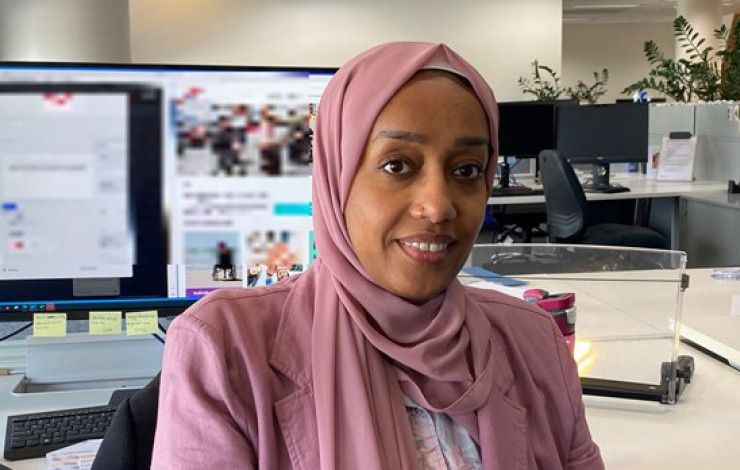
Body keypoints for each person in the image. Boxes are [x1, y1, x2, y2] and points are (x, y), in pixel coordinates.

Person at [152, 42, 604, 469]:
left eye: (466, 170)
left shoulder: (533, 342)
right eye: (398, 166)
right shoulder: (224, 348)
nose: (438, 205)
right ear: (338, 177)